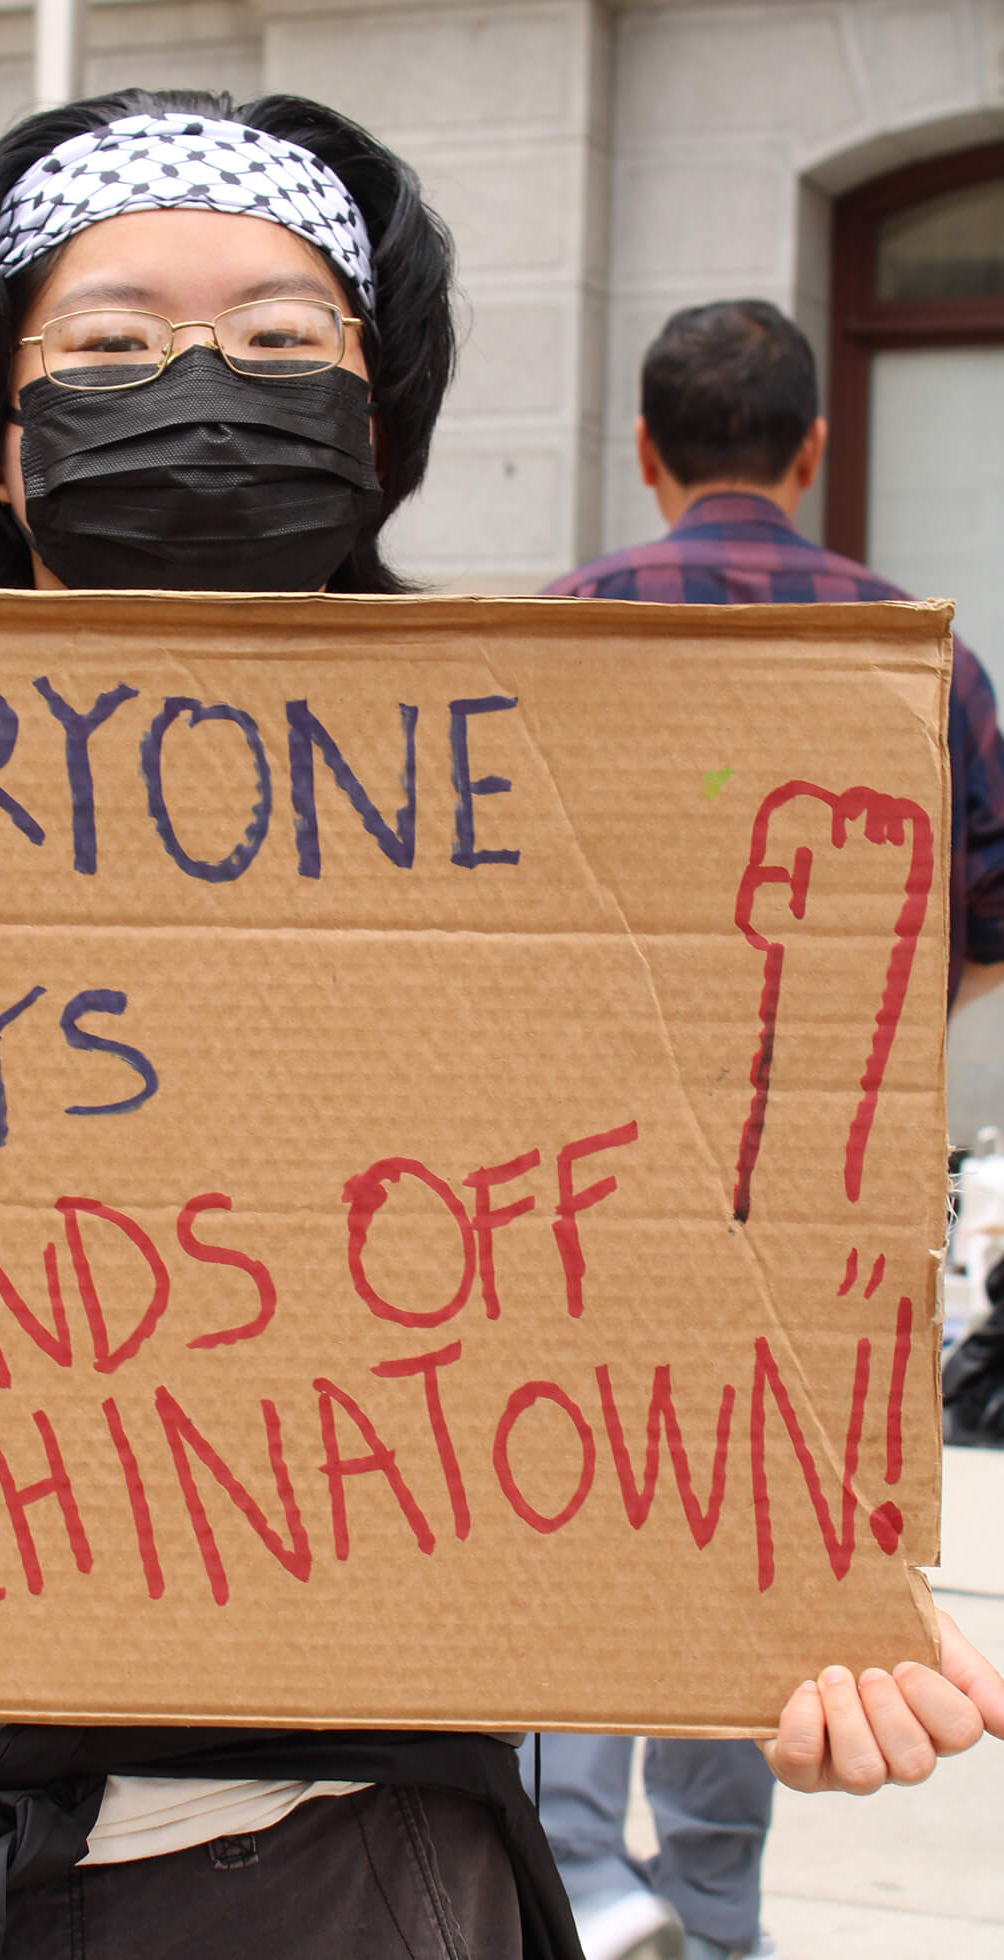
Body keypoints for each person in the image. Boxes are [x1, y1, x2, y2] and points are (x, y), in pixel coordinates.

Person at [0, 117, 999, 1960]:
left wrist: (784, 1605)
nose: (204, 395)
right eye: (114, 349)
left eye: (290, 346)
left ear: (377, 419)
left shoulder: (544, 809)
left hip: (333, 1872)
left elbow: (705, 1248)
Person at [538, 296, 1004, 1960]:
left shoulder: (567, 626)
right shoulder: (918, 650)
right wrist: (857, 1074)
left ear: (648, 454)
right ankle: (713, 1907)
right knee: (775, 1512)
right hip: (831, 1177)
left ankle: (577, 1874)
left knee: (596, 1482)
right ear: (810, 452)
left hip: (601, 1166)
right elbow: (987, 918)